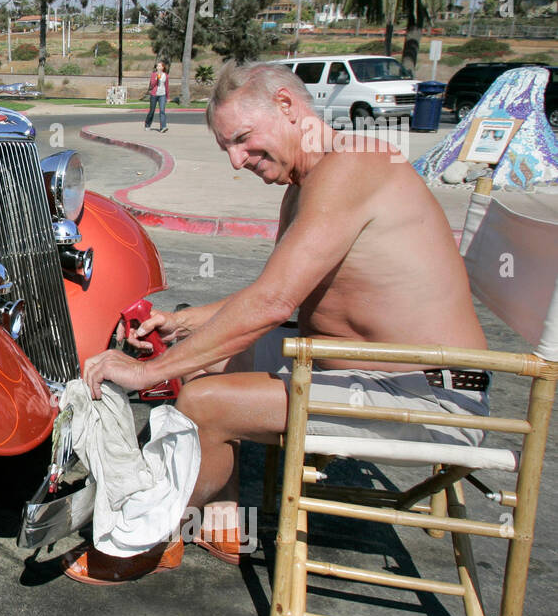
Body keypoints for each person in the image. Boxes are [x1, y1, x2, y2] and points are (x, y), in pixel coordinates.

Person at [63, 61, 490, 584]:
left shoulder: (352, 167)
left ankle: (148, 537)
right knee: (208, 362)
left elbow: (271, 304)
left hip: (430, 395)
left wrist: (147, 373)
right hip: (365, 370)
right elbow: (273, 293)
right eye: (228, 150)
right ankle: (221, 522)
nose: (239, 161)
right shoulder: (310, 180)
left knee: (201, 402)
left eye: (242, 139)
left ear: (288, 105)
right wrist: (182, 323)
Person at [144, 60, 169, 132]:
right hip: (154, 95)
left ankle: (163, 127)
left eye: (159, 66)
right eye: (157, 66)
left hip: (162, 95)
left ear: (163, 67)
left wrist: (167, 96)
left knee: (162, 111)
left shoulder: (166, 75)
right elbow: (152, 85)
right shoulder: (153, 74)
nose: (158, 67)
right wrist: (157, 78)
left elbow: (166, 86)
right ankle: (147, 124)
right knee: (152, 111)